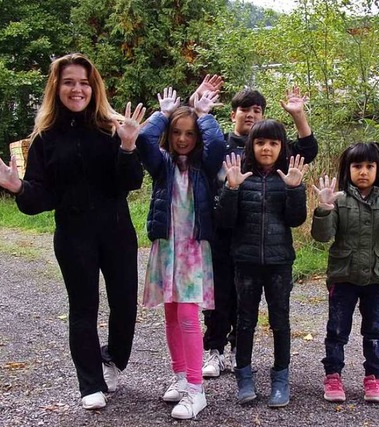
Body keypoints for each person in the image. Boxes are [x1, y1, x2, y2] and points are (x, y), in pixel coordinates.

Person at [0, 53, 146, 410]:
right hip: (73, 235)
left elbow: (130, 182)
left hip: (116, 230)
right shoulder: (45, 139)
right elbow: (41, 198)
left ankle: (113, 358)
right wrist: (19, 187)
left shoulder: (111, 128)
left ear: (93, 87)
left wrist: (129, 146)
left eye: (84, 82)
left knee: (125, 306)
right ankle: (90, 385)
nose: (77, 89)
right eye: (69, 82)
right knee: (83, 308)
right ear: (57, 87)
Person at [192, 78, 319, 379]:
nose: (250, 114)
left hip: (257, 237)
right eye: (244, 109)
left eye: (257, 110)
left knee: (246, 301)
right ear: (233, 113)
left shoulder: (269, 146)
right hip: (223, 229)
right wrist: (197, 106)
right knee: (219, 295)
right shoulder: (219, 144)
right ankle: (215, 350)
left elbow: (307, 150)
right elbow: (186, 138)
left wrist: (298, 115)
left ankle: (239, 351)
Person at [137, 87, 225, 419]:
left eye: (189, 133)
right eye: (177, 132)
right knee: (171, 316)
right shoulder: (162, 166)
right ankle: (179, 377)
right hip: (166, 249)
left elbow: (216, 143)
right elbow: (145, 141)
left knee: (188, 316)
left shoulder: (204, 166)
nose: (183, 139)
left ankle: (196, 389)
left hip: (192, 251)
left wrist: (203, 115)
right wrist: (162, 114)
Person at [310, 142, 379, 403]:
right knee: (337, 329)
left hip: (377, 278)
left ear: (378, 169)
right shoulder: (340, 201)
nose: (363, 171)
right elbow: (322, 236)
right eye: (357, 166)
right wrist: (325, 209)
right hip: (343, 276)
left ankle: (373, 377)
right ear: (347, 169)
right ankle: (333, 375)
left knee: (375, 330)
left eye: (370, 166)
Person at [217, 120, 308, 408]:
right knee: (245, 322)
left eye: (273, 143)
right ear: (250, 146)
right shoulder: (238, 177)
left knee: (280, 321)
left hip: (279, 262)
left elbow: (296, 220)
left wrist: (294, 189)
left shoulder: (289, 178)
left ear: (281, 147)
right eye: (260, 143)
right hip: (245, 262)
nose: (266, 148)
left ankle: (280, 378)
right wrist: (231, 189)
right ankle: (244, 376)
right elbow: (224, 221)